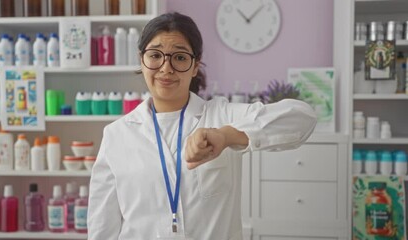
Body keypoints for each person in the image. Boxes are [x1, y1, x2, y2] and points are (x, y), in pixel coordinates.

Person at [88, 12, 317, 240]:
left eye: (179, 57)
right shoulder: (116, 135)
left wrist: (226, 135)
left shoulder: (222, 115)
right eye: (155, 55)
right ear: (142, 60)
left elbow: (302, 118)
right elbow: (102, 227)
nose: (166, 68)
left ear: (195, 66)